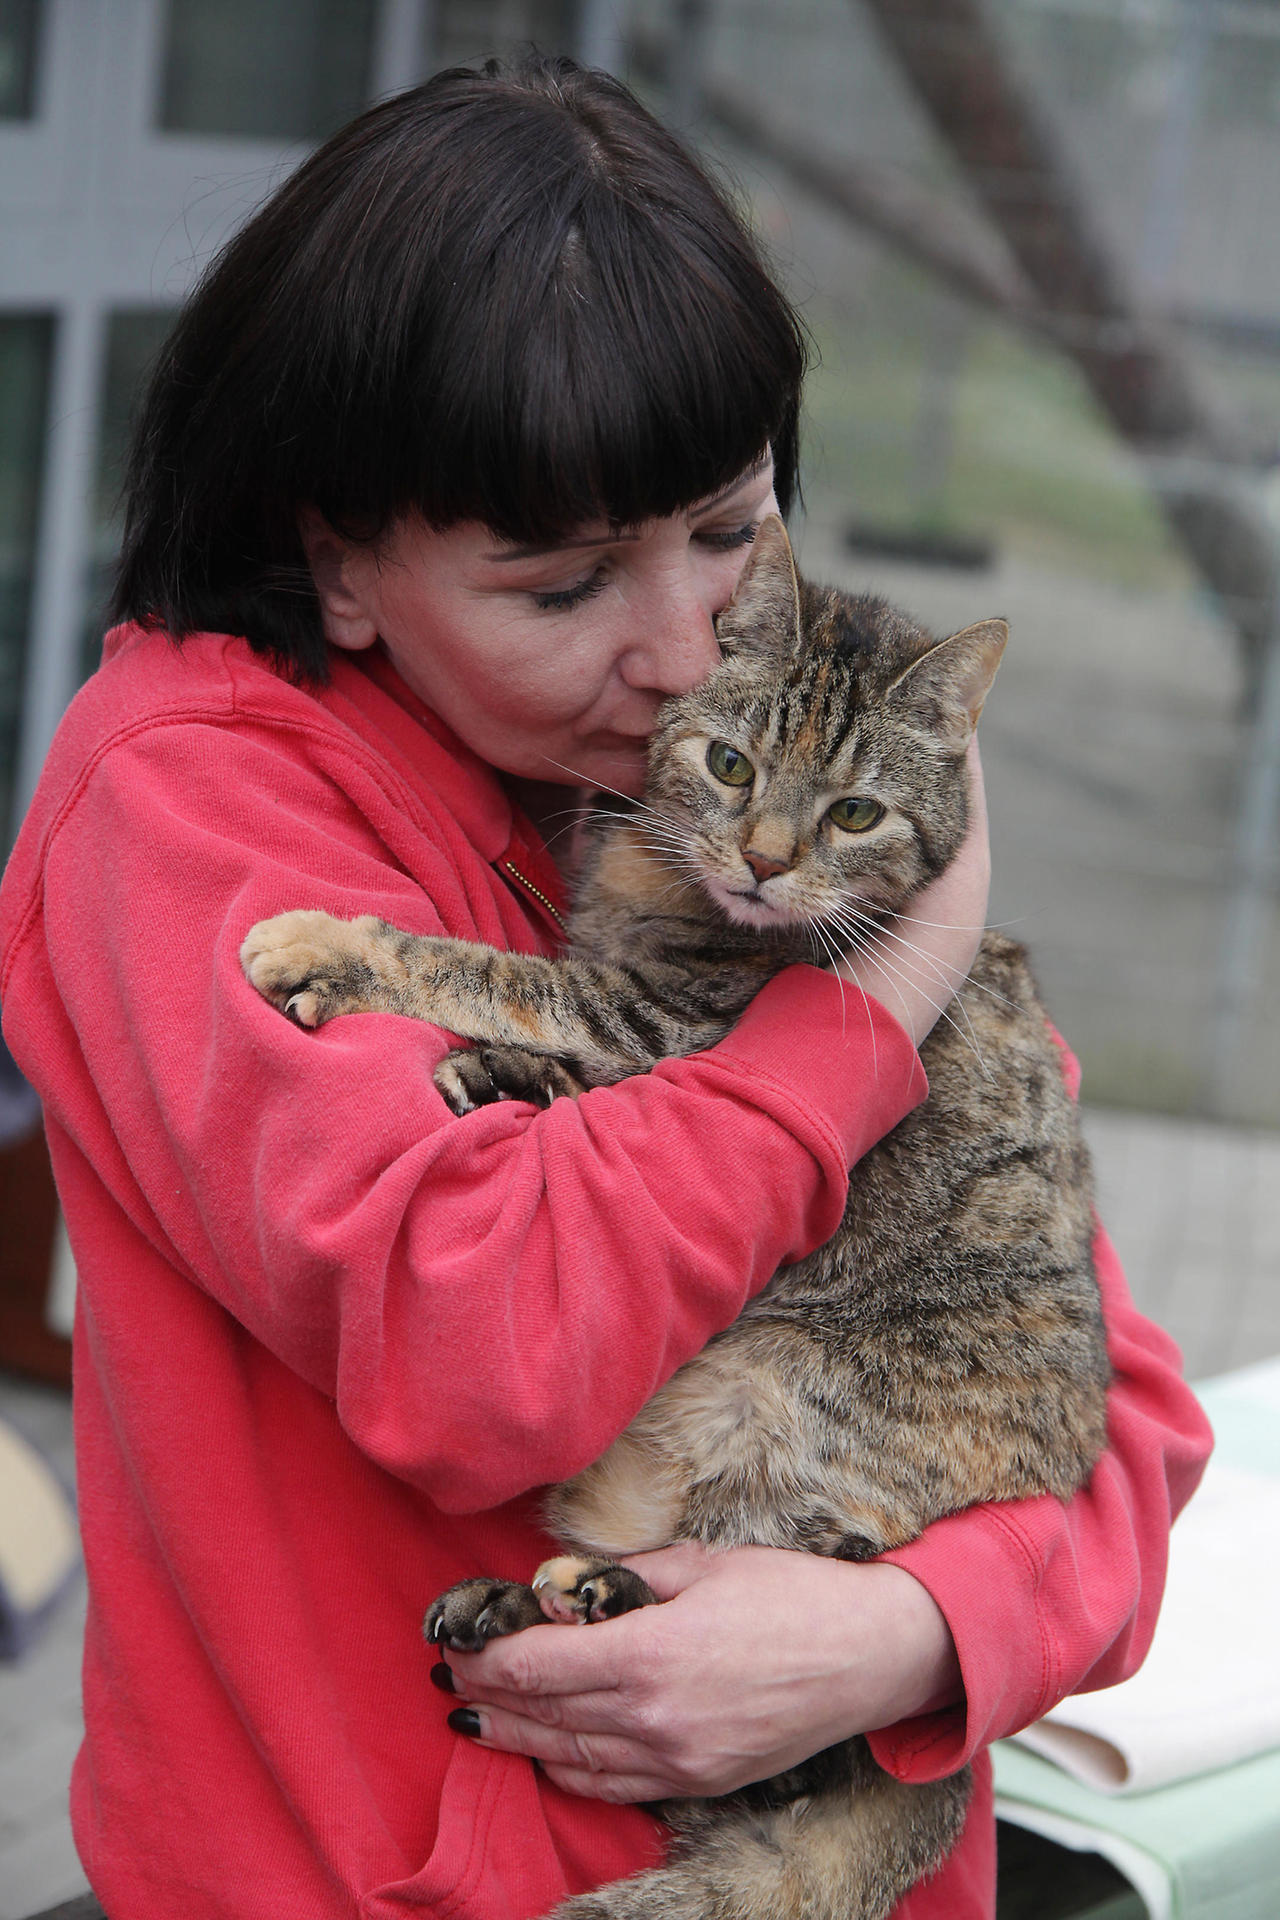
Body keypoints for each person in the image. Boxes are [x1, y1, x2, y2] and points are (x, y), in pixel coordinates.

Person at [0, 55, 1210, 1920]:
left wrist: (904, 1636)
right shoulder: (180, 810)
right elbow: (483, 1349)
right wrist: (871, 1012)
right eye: (564, 586)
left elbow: (1123, 1413)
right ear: (336, 565)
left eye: (728, 531)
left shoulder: (768, 776)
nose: (678, 658)